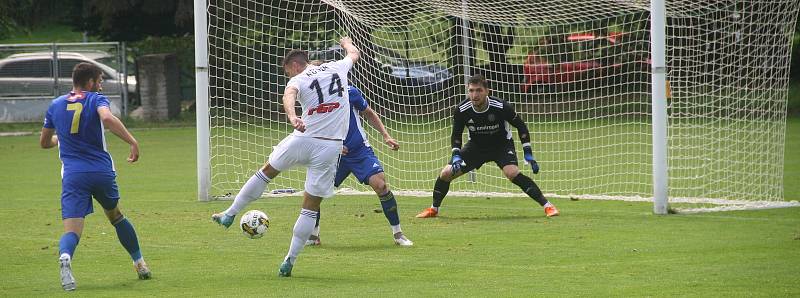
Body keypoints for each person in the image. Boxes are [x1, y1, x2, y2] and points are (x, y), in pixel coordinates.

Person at [210, 37, 359, 277]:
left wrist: (292, 117)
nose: (288, 75)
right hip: (330, 147)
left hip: (303, 139)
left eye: (287, 71)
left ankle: (230, 213)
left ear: (295, 65)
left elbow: (288, 96)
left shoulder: (298, 79)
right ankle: (289, 260)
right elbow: (354, 54)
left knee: (267, 171)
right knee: (310, 206)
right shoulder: (337, 66)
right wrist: (347, 42)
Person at [41, 62, 151, 291]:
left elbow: (44, 142)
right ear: (90, 82)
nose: (101, 86)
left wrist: (58, 140)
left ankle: (65, 256)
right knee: (116, 216)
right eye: (100, 81)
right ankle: (139, 263)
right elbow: (108, 119)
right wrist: (132, 141)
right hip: (101, 171)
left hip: (73, 175)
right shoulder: (96, 99)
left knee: (72, 231)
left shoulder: (55, 105)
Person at [416, 74, 560, 219]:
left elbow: (521, 127)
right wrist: (456, 155)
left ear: (487, 91)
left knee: (512, 173)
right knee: (446, 173)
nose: (474, 95)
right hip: (476, 147)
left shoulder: (501, 106)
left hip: (501, 145)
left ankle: (548, 206)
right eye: (471, 90)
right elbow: (456, 135)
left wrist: (527, 152)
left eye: (479, 90)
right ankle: (434, 209)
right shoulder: (462, 110)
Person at [305, 83, 413, 247]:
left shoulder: (350, 92)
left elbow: (369, 113)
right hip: (332, 153)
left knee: (381, 185)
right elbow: (311, 128)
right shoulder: (313, 98)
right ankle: (313, 235)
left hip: (359, 151)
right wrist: (331, 146)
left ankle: (398, 234)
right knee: (315, 191)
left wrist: (386, 136)